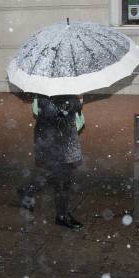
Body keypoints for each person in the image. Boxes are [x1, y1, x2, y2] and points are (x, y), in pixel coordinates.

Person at [17, 94, 84, 230]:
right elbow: (77, 121)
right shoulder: (68, 98)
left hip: (49, 141)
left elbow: (36, 111)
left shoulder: (41, 93)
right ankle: (61, 215)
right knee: (62, 180)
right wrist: (78, 101)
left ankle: (28, 191)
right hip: (58, 144)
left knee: (56, 176)